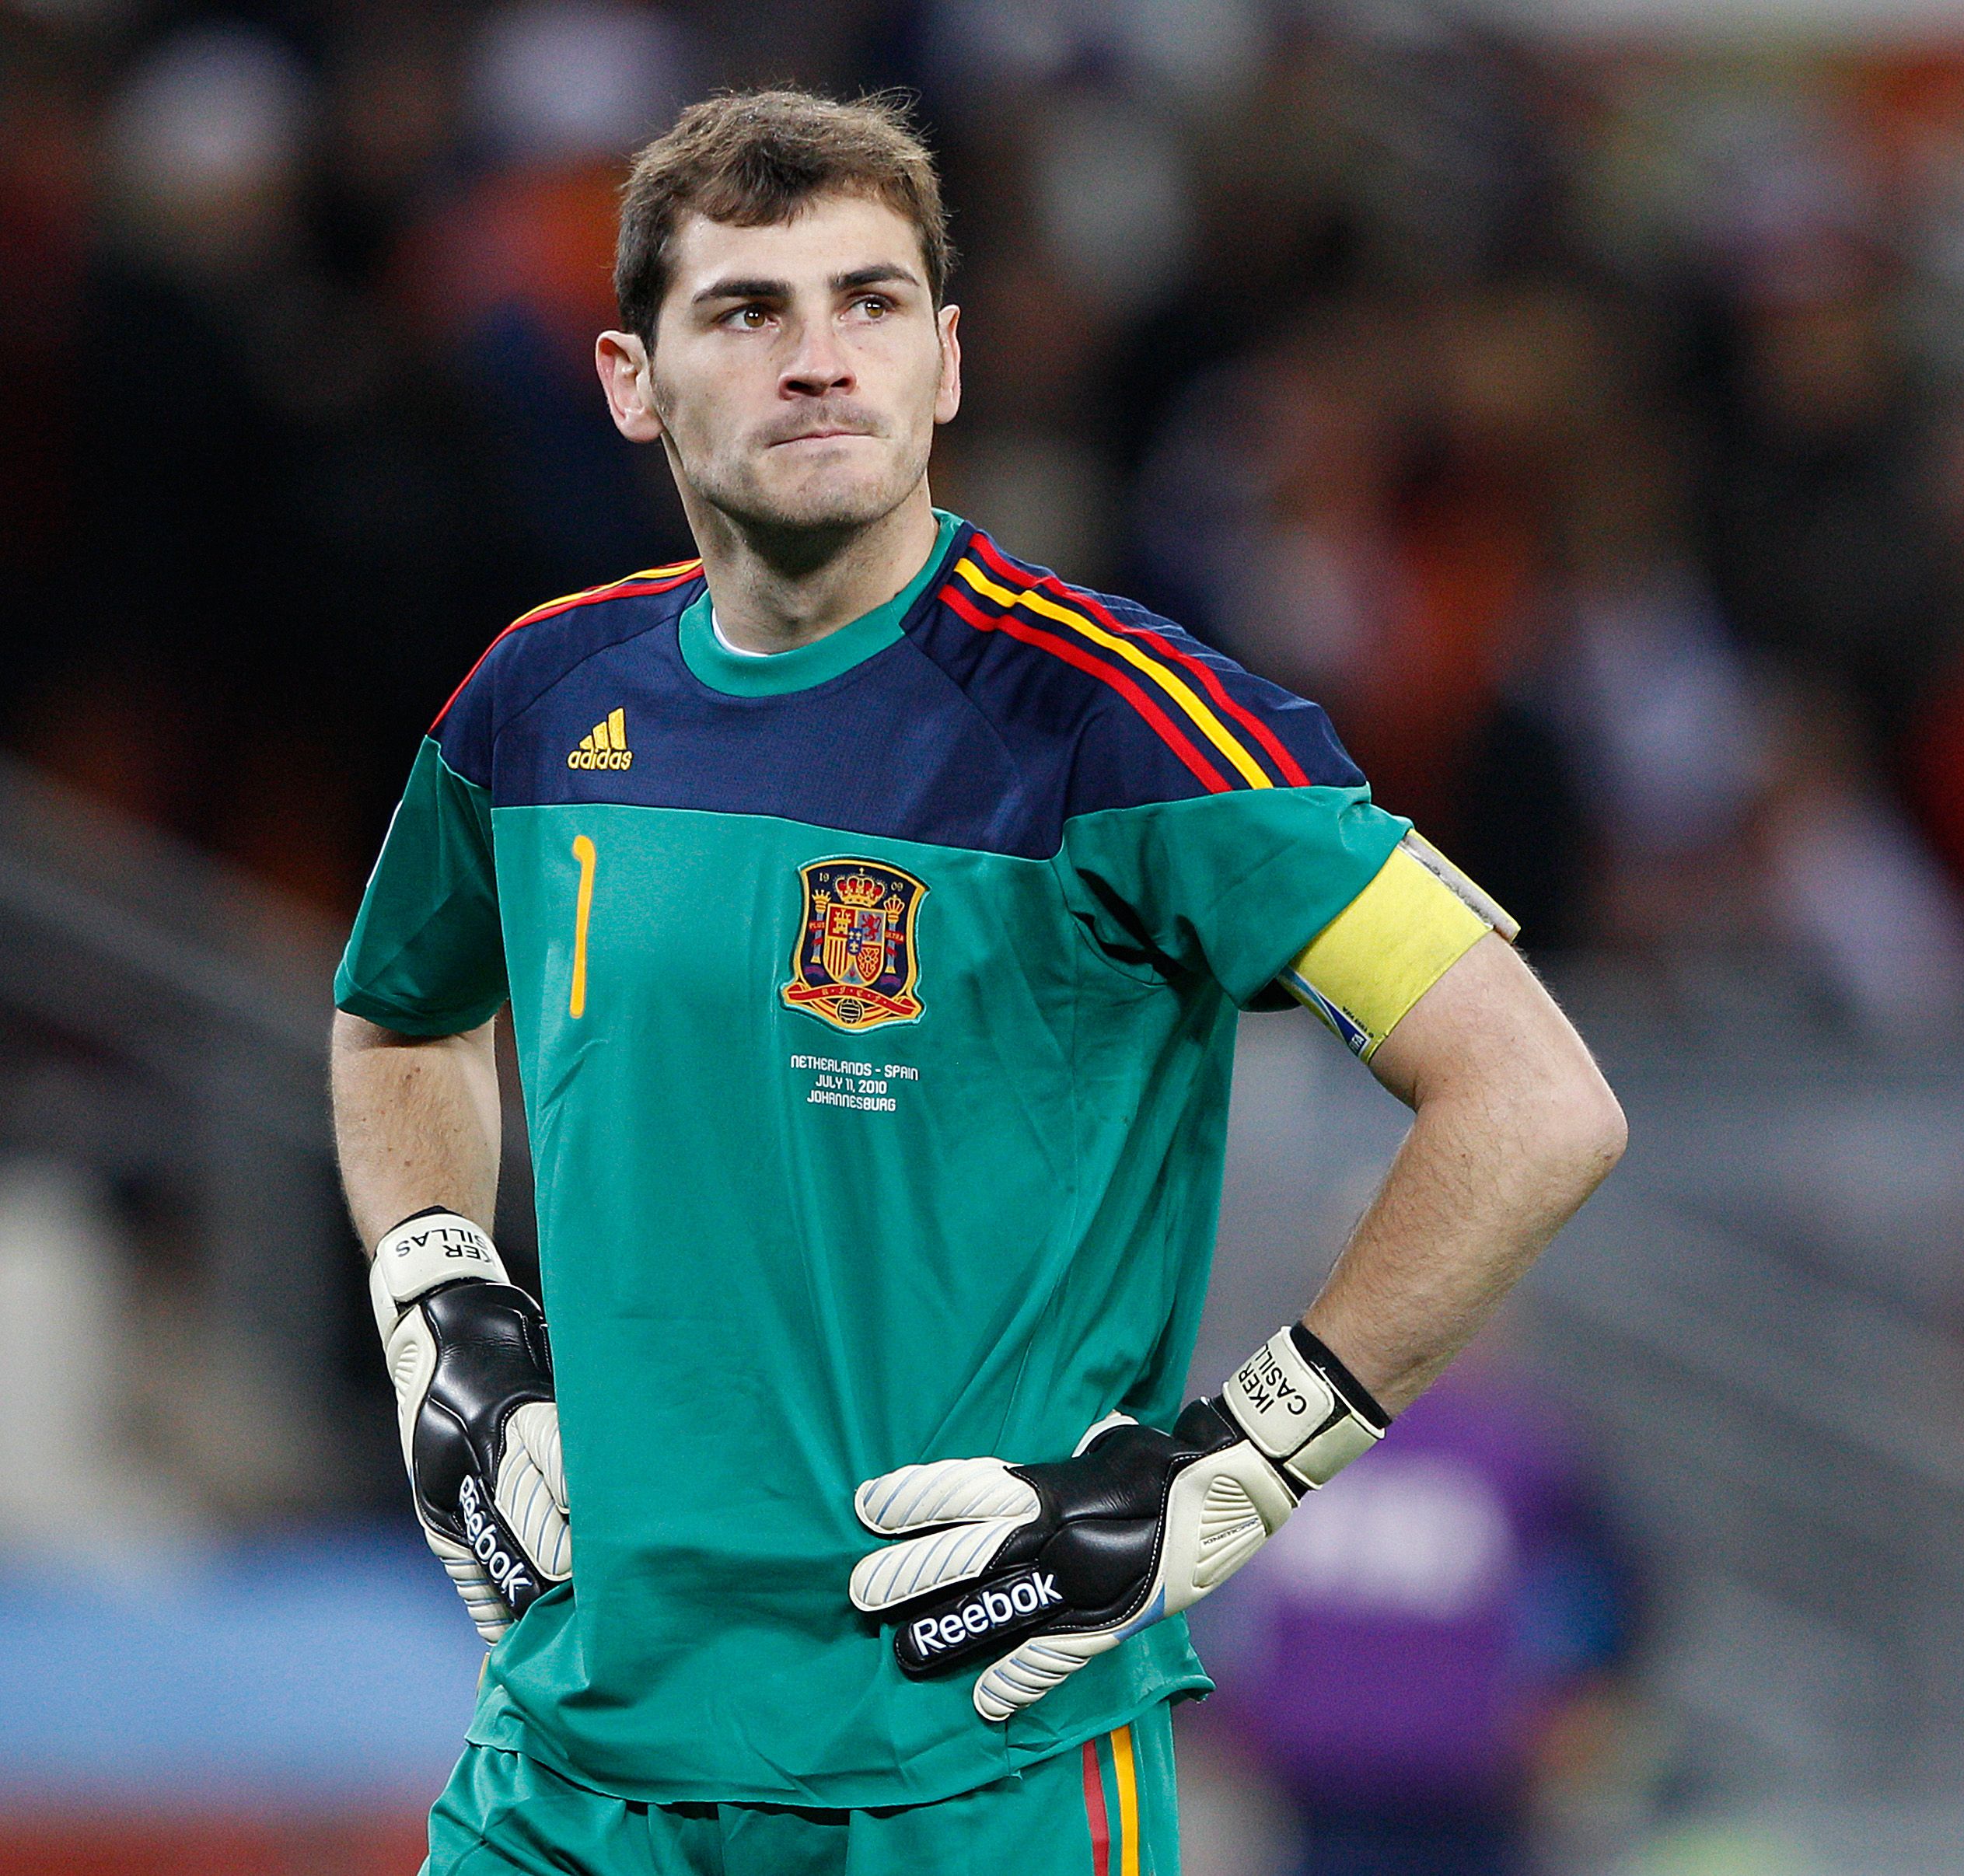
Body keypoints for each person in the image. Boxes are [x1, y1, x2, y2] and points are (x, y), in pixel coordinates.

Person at [328, 89, 1624, 1876]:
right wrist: (437, 1294)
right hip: (565, 1766)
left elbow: (1536, 1097)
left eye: (870, 305)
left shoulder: (1128, 724)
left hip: (971, 1775)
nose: (818, 361)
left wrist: (1232, 1470)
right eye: (748, 312)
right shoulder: (541, 698)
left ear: (945, 362)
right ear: (631, 380)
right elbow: (400, 1009)